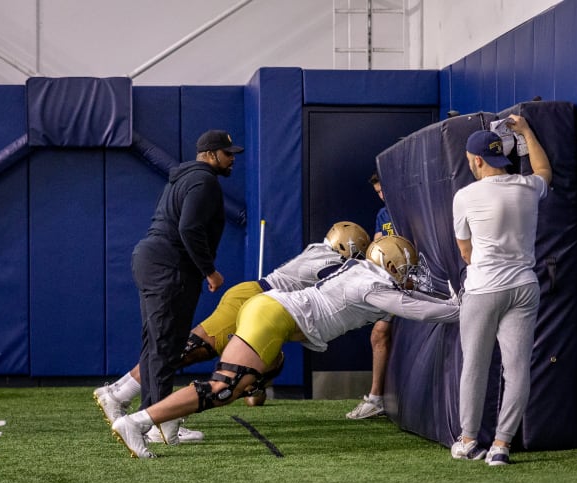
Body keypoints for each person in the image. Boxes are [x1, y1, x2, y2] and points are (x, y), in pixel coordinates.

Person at [110, 234, 461, 458]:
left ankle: (165, 414)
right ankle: (140, 421)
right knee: (224, 387)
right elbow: (419, 310)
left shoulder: (363, 271)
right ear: (387, 265)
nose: (409, 274)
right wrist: (461, 307)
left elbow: (408, 295)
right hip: (273, 315)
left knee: (262, 370)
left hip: (273, 312)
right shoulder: (372, 286)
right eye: (404, 268)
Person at [94, 221, 371, 442]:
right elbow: (343, 276)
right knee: (186, 351)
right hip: (253, 299)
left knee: (200, 355)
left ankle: (147, 408)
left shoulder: (320, 251)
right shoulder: (326, 259)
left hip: (257, 301)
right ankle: (121, 394)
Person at [124, 129, 243, 444]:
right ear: (209, 154)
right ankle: (158, 426)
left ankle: (149, 418)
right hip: (168, 266)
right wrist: (210, 272)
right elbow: (188, 227)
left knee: (155, 346)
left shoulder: (182, 178)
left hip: (151, 261)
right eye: (227, 153)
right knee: (165, 348)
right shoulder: (204, 181)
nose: (232, 160)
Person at [450, 115, 551, 466]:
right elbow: (544, 172)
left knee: (474, 367)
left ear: (477, 161)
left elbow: (466, 253)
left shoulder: (464, 196)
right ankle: (501, 446)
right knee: (517, 368)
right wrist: (526, 131)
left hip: (483, 289)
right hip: (524, 286)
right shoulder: (527, 187)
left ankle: (466, 440)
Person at [346, 172, 403, 420]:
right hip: (392, 280)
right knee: (379, 332)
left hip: (418, 280)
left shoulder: (415, 206)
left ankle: (377, 398)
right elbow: (377, 249)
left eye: (384, 191)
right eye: (378, 193)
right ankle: (377, 398)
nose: (382, 196)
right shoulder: (382, 214)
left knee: (381, 332)